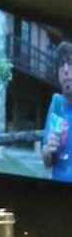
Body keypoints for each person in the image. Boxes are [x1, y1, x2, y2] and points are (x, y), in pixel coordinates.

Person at [42, 40, 72, 182]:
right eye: (61, 65)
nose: (65, 70)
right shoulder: (56, 107)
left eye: (70, 63)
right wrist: (48, 150)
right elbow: (47, 162)